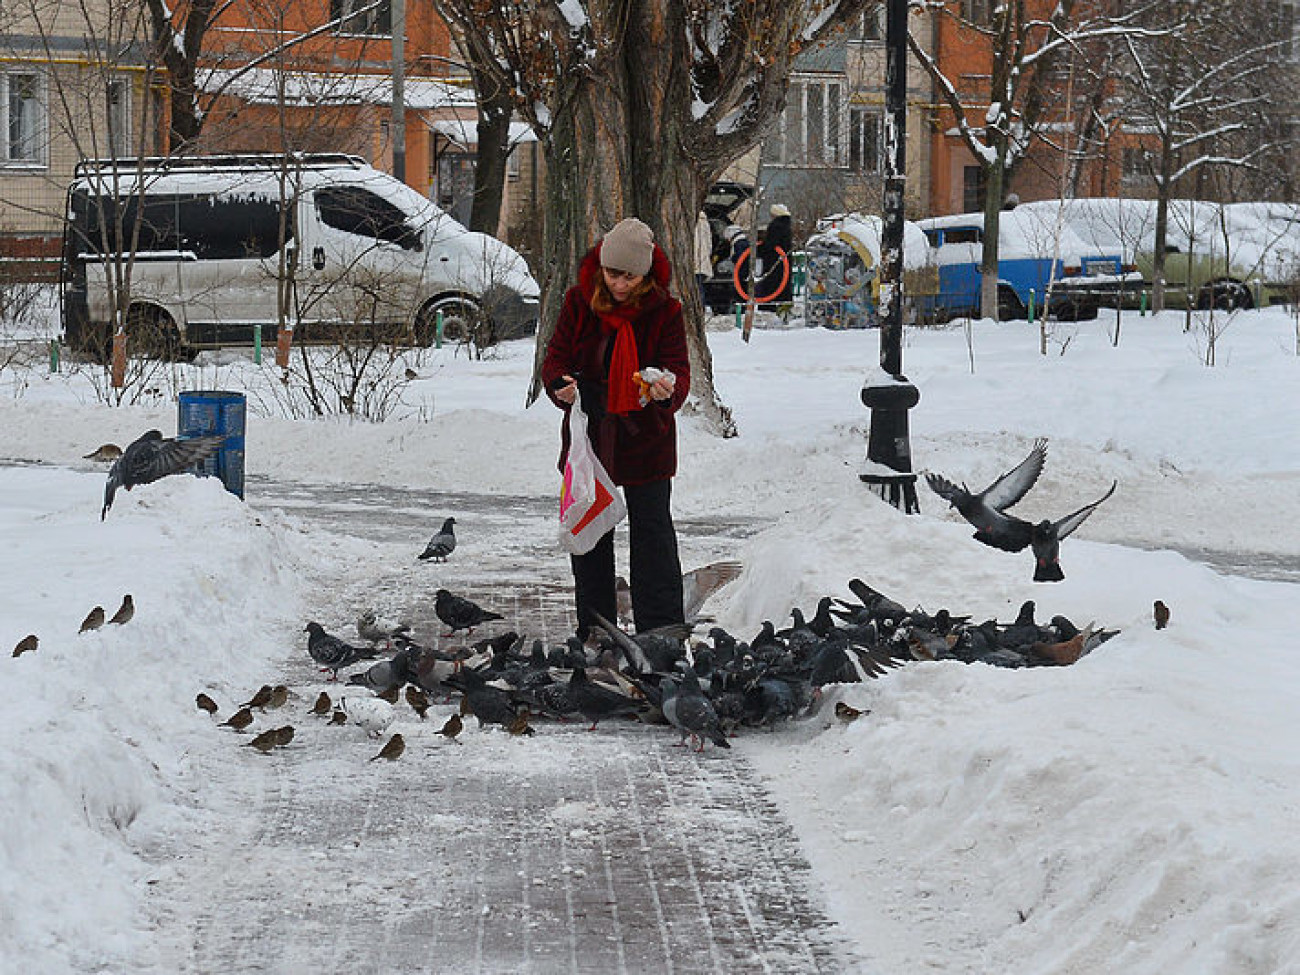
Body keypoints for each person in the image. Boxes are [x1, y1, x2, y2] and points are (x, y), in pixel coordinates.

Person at [541, 217, 691, 642]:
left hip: (647, 436)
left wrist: (666, 388)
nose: (619, 285)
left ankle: (660, 634)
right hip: (590, 438)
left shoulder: (666, 310)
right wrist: (561, 386)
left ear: (644, 274)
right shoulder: (578, 301)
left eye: (629, 276)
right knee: (589, 534)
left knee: (653, 534)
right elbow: (555, 360)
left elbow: (678, 369)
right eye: (612, 274)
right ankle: (597, 633)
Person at [757, 202, 794, 305]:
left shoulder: (776, 226)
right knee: (784, 286)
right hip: (783, 261)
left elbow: (770, 245)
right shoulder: (786, 226)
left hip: (774, 262)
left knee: (773, 286)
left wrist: (759, 249)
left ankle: (771, 306)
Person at [694, 211, 714, 306]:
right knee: (699, 287)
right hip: (703, 261)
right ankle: (700, 308)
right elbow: (710, 244)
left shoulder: (689, 223)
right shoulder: (705, 223)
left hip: (694, 261)